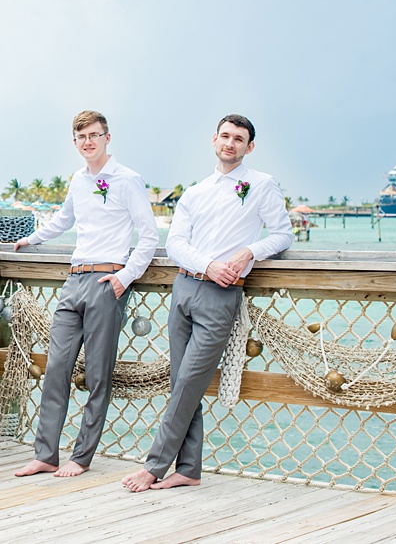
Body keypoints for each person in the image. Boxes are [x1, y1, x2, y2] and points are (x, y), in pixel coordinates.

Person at [122, 114, 292, 492]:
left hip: (221, 296)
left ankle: (154, 466)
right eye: (225, 136)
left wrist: (249, 250)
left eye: (239, 139)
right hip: (185, 288)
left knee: (188, 382)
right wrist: (209, 265)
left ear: (250, 147)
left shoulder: (262, 185)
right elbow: (177, 244)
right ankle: (189, 469)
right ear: (214, 140)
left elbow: (282, 234)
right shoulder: (195, 192)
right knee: (183, 383)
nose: (230, 143)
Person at [14, 110, 158, 478]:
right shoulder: (78, 180)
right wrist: (30, 239)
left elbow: (149, 234)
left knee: (97, 375)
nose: (88, 142)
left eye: (95, 135)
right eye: (82, 137)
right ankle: (46, 454)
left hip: (107, 282)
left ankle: (81, 457)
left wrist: (124, 277)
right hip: (73, 280)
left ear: (107, 137)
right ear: (74, 142)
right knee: (56, 370)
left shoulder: (128, 180)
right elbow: (64, 219)